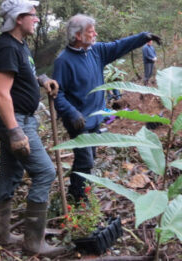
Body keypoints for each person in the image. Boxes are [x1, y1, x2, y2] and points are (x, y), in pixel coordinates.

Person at [0, 0, 64, 256]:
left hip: (19, 118)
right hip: (16, 120)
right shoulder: (7, 47)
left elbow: (23, 73)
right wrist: (15, 131)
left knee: (11, 172)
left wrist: (42, 79)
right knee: (45, 172)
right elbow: (0, 93)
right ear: (19, 19)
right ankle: (34, 242)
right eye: (32, 14)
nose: (37, 18)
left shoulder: (18, 45)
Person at [53, 14, 161, 202]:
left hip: (95, 118)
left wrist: (143, 37)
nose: (95, 34)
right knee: (85, 160)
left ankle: (78, 192)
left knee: (88, 158)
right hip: (78, 121)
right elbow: (58, 95)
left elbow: (119, 46)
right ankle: (78, 199)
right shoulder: (64, 61)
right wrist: (71, 113)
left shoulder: (96, 51)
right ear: (78, 36)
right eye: (90, 31)